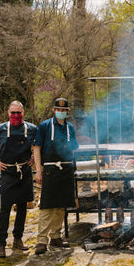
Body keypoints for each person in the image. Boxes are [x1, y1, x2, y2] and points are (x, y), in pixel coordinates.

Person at [0, 101, 37, 258]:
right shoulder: (0, 129)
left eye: (18, 112)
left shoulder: (32, 129)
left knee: (22, 208)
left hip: (24, 172)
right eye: (13, 113)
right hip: (8, 173)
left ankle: (18, 239)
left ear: (23, 113)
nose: (15, 116)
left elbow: (40, 144)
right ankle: (1, 245)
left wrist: (34, 156)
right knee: (5, 210)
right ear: (8, 113)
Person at [33, 98, 79, 255]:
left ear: (67, 111)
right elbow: (37, 147)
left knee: (61, 206)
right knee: (47, 206)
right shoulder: (45, 126)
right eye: (58, 110)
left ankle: (55, 236)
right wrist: (38, 170)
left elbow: (73, 148)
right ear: (54, 110)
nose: (61, 112)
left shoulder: (70, 128)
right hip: (50, 169)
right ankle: (41, 240)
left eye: (64, 110)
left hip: (66, 169)